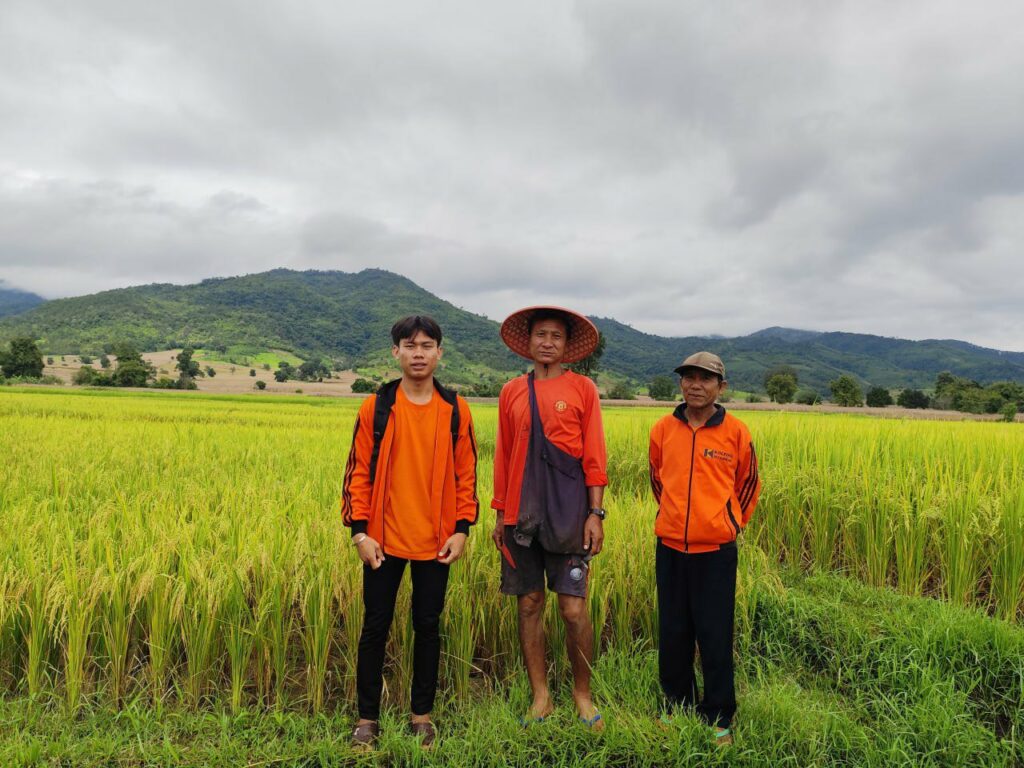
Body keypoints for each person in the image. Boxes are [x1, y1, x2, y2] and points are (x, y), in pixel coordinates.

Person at [341, 315, 479, 750]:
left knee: (428, 626)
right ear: (395, 352)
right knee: (375, 627)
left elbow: (466, 473)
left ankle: (422, 716)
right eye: (409, 345)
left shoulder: (455, 408)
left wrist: (462, 530)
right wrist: (360, 534)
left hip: (435, 541)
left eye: (426, 345)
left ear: (440, 352)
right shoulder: (377, 406)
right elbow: (357, 472)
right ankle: (367, 719)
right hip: (382, 539)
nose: (418, 353)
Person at [491, 306, 608, 729]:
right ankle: (541, 697)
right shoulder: (511, 392)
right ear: (529, 341)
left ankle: (582, 695)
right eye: (541, 335)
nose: (547, 342)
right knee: (529, 603)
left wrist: (595, 513)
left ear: (565, 346)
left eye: (556, 336)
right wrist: (501, 514)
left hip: (569, 511)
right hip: (522, 512)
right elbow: (503, 456)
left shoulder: (583, 390)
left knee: (573, 609)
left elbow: (594, 454)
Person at [648, 351, 761, 746]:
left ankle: (718, 715)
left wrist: (730, 524)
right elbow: (657, 480)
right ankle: (676, 705)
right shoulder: (662, 429)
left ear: (721, 387)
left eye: (705, 379)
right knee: (673, 631)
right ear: (681, 383)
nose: (695, 385)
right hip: (671, 547)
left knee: (714, 634)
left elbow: (748, 484)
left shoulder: (736, 432)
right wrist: (676, 518)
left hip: (715, 551)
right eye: (688, 378)